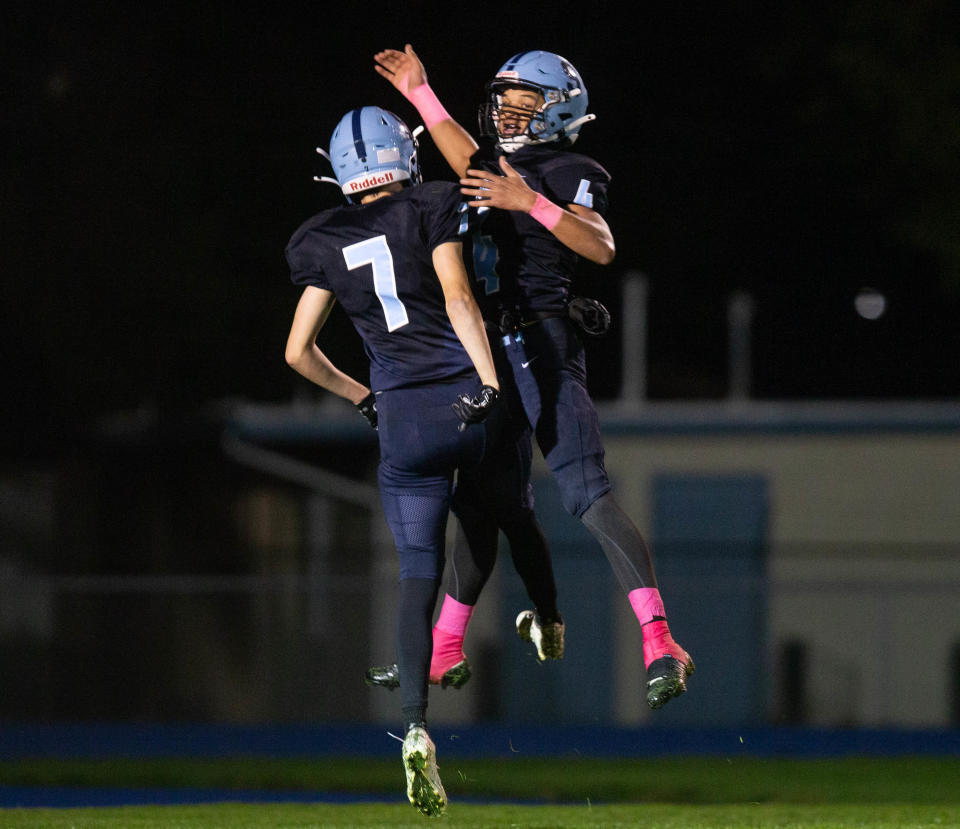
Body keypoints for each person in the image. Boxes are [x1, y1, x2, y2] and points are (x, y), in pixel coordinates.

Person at [371, 45, 695, 710]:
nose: (509, 114)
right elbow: (463, 156)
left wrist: (530, 203)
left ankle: (661, 639)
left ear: (560, 111)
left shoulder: (572, 168)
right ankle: (444, 646)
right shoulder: (494, 165)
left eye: (525, 104)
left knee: (586, 492)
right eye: (506, 101)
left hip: (541, 345)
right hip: (489, 350)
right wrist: (421, 94)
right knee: (482, 503)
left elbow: (600, 244)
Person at [284, 105, 504, 816]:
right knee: (488, 519)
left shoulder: (324, 237)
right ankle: (460, 634)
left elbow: (297, 353)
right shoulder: (431, 204)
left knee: (416, 568)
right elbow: (459, 296)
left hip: (402, 420)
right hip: (460, 398)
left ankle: (415, 724)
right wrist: (491, 381)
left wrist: (364, 398)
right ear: (401, 156)